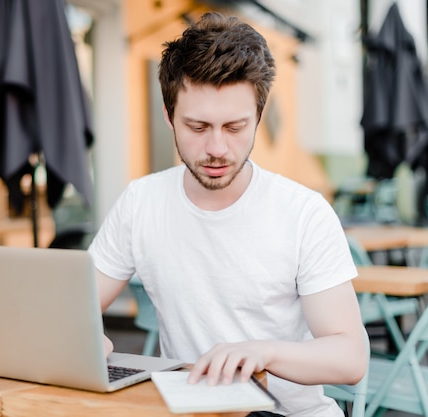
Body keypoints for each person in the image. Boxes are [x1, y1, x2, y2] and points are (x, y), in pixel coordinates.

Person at [88, 12, 367, 416]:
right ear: (169, 116)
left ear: (258, 114)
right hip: (191, 410)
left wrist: (263, 352)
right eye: (198, 127)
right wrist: (83, 337)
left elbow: (350, 358)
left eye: (234, 127)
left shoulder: (304, 213)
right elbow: (76, 306)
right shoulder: (141, 201)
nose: (217, 148)